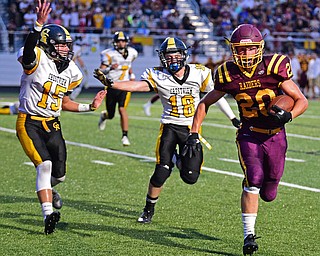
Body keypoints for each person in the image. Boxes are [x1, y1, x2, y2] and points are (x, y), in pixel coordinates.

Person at [187, 24, 308, 255]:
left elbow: (301, 99)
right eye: (240, 50)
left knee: (269, 192)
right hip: (248, 133)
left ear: (259, 48)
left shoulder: (274, 67)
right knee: (254, 178)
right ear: (233, 49)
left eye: (250, 49)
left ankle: (265, 191)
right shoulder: (227, 73)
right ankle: (248, 235)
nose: (245, 54)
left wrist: (288, 114)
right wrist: (194, 133)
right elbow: (204, 103)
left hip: (275, 136)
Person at [94, 37, 241, 224]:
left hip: (191, 129)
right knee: (161, 171)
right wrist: (111, 83)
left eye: (176, 55)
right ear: (162, 58)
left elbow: (215, 97)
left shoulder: (199, 72)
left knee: (190, 177)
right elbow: (137, 86)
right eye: (168, 56)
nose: (172, 60)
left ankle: (176, 159)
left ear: (184, 55)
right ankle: (148, 208)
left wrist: (233, 118)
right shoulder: (158, 75)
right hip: (169, 127)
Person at [15, 0, 106, 235]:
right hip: (30, 122)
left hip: (53, 124)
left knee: (60, 175)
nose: (66, 49)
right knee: (44, 166)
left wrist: (91, 107)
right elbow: (27, 51)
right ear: (48, 45)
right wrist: (38, 25)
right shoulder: (36, 59)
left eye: (67, 45)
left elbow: (65, 103)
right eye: (61, 45)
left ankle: (46, 190)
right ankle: (48, 214)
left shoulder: (73, 72)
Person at [98, 31, 138, 146]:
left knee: (122, 109)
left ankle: (125, 135)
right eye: (119, 41)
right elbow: (101, 71)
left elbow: (128, 64)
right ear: (115, 42)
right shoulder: (108, 54)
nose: (121, 43)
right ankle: (104, 116)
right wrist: (110, 67)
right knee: (111, 115)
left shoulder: (132, 52)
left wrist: (131, 74)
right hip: (112, 85)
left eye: (123, 41)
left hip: (125, 86)